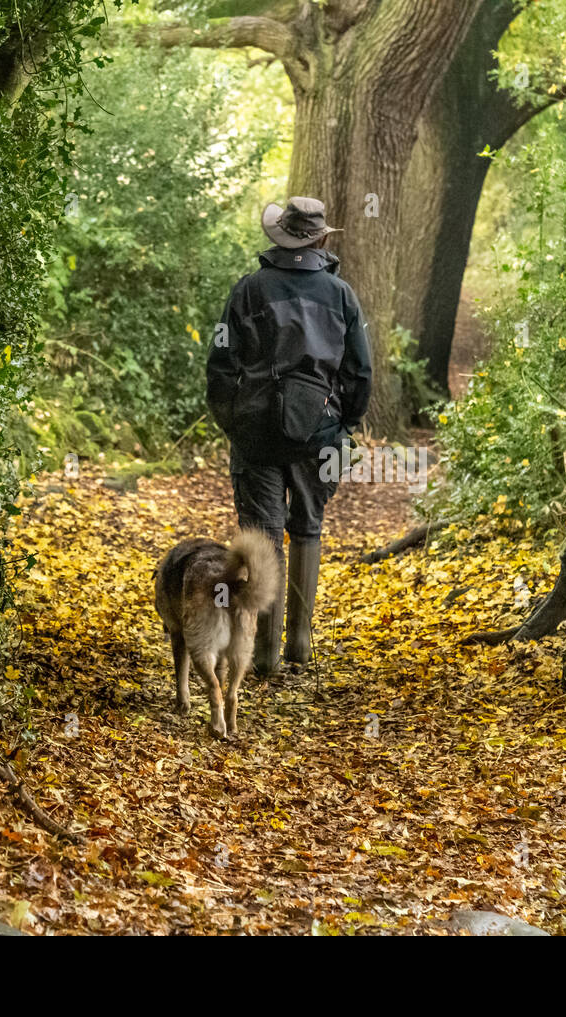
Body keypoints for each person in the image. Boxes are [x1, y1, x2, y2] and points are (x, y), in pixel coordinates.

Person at [207, 197, 372, 675]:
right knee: (309, 526)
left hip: (256, 436)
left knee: (263, 536)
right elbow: (360, 372)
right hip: (321, 434)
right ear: (321, 239)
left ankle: (265, 656)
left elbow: (221, 364)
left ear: (280, 238)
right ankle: (300, 644)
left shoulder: (247, 290)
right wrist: (344, 427)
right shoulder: (342, 296)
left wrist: (234, 424)